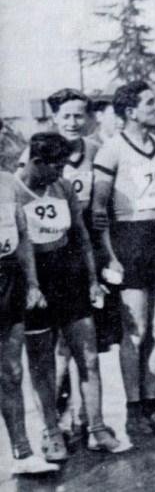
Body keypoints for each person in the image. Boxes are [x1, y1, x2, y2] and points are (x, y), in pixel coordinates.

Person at [18, 132, 132, 458]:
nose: (61, 172)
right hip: (34, 281)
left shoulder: (63, 187)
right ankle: (52, 433)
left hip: (68, 277)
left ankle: (97, 428)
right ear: (37, 162)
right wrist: (30, 286)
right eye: (56, 166)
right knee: (43, 364)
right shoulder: (13, 189)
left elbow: (81, 237)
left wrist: (93, 280)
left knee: (89, 357)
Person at [92, 81, 155, 435]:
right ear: (130, 112)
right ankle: (133, 409)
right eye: (150, 102)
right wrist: (110, 258)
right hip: (130, 241)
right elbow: (99, 212)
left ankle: (151, 404)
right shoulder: (111, 151)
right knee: (136, 331)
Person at [0, 169, 59, 474]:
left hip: (8, 277)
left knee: (11, 371)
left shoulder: (8, 182)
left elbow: (23, 237)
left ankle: (22, 453)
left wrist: (33, 283)